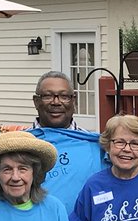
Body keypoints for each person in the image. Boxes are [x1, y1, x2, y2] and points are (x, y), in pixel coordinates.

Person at [28, 70, 106, 213]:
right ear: (36, 101)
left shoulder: (96, 146)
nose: (56, 102)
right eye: (47, 96)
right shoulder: (21, 146)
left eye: (64, 96)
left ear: (74, 100)